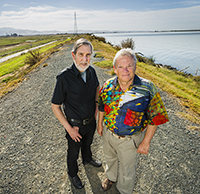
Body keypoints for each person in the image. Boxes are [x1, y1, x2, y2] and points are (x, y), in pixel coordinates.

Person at [97, 48, 169, 194]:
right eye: (121, 66)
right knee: (110, 159)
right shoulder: (107, 86)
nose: (125, 70)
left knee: (127, 169)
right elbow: (101, 107)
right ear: (115, 69)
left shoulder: (147, 88)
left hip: (130, 140)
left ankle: (124, 190)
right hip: (108, 134)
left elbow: (156, 117)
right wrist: (100, 125)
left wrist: (146, 142)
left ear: (135, 67)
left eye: (129, 66)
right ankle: (111, 178)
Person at [51, 38, 102, 189]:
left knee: (88, 144)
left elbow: (97, 88)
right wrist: (69, 128)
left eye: (88, 55)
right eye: (81, 54)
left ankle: (87, 159)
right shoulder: (64, 77)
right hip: (75, 126)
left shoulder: (92, 71)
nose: (85, 59)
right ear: (73, 55)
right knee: (73, 153)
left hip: (90, 122)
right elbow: (55, 106)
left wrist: (96, 109)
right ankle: (72, 173)